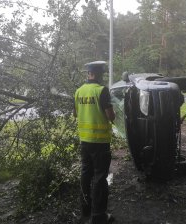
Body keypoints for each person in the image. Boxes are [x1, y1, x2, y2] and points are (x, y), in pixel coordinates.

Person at [74, 61, 115, 224]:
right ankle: (99, 216)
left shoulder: (78, 91)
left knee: (85, 174)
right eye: (102, 74)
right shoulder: (101, 91)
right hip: (100, 142)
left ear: (88, 74)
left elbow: (75, 114)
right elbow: (110, 116)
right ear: (99, 74)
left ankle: (85, 209)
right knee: (99, 177)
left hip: (84, 141)